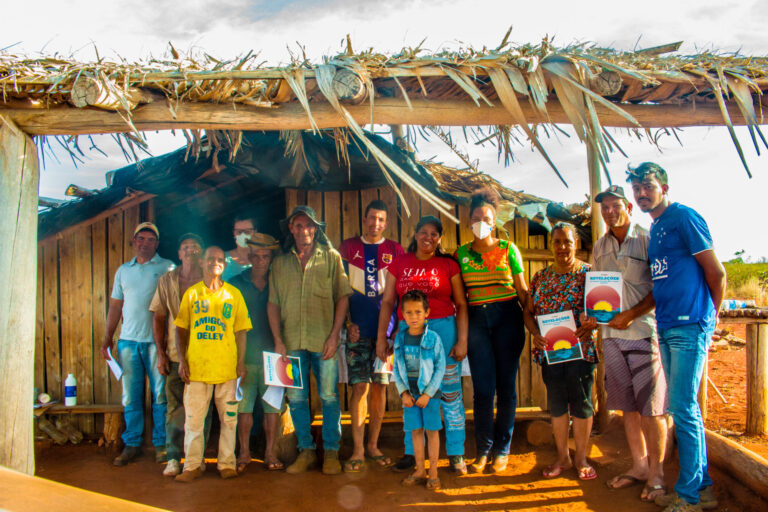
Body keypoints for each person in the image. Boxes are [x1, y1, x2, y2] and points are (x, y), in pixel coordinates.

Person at [628, 162, 725, 512]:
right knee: (681, 407)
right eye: (637, 188)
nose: (642, 193)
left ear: (664, 187)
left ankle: (689, 497)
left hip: (688, 325)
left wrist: (708, 323)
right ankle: (704, 489)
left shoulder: (684, 217)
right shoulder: (656, 229)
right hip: (667, 326)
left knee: (683, 409)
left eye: (648, 185)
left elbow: (716, 273)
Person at [586, 185, 669, 502]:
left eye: (614, 205)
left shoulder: (648, 239)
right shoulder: (600, 246)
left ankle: (657, 476)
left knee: (652, 409)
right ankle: (638, 466)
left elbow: (660, 287)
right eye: (604, 207)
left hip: (643, 333)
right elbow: (598, 292)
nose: (608, 211)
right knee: (628, 409)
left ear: (629, 207)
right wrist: (595, 317)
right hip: (611, 338)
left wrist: (631, 314)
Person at [377, 215, 469, 475]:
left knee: (449, 392)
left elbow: (461, 304)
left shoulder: (448, 265)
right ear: (415, 234)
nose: (428, 237)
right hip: (408, 335)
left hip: (443, 332)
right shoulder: (400, 263)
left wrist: (462, 340)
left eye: (434, 234)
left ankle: (455, 452)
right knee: (412, 390)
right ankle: (411, 451)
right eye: (423, 232)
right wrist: (382, 337)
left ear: (439, 238)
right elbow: (387, 303)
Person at [267, 205, 353, 475]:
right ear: (291, 229)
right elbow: (273, 304)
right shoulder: (280, 263)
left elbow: (342, 297)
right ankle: (306, 450)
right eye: (298, 225)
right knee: (296, 397)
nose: (304, 230)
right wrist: (278, 340)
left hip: (324, 341)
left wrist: (334, 336)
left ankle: (330, 452)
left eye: (309, 225)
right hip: (290, 342)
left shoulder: (331, 258)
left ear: (316, 229)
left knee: (328, 396)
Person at [455, 188, 528, 473]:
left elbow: (522, 291)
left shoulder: (509, 250)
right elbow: (459, 298)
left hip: (508, 317)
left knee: (506, 388)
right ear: (469, 221)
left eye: (486, 218)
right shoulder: (461, 254)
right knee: (483, 389)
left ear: (494, 221)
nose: (481, 222)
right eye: (476, 218)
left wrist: (536, 321)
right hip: (477, 321)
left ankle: (503, 448)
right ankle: (483, 449)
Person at [522, 222, 599, 481]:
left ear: (576, 243)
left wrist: (593, 323)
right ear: (551, 245)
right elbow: (528, 312)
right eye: (557, 241)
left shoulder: (590, 274)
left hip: (582, 350)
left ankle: (581, 458)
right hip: (551, 353)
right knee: (556, 405)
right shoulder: (540, 278)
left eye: (567, 241)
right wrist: (535, 334)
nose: (562, 247)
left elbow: (602, 313)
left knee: (582, 403)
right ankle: (563, 458)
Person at [173, 246, 251, 482]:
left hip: (227, 369)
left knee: (229, 420)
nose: (214, 263)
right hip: (197, 369)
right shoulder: (192, 294)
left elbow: (241, 332)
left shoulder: (234, 295)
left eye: (219, 260)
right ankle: (193, 465)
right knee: (194, 421)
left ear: (224, 265)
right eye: (210, 259)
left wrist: (240, 363)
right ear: (202, 263)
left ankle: (226, 463)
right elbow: (181, 329)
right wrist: (182, 360)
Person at [100, 222, 174, 466]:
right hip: (128, 342)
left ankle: (161, 444)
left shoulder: (167, 268)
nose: (145, 243)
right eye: (141, 238)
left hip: (156, 344)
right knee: (131, 397)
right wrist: (108, 337)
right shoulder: (123, 271)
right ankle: (132, 444)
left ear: (157, 243)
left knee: (160, 396)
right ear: (134, 242)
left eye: (150, 239)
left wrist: (166, 343)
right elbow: (115, 306)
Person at [339, 199, 404, 472]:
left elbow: (401, 293)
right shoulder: (348, 247)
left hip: (386, 337)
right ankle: (356, 450)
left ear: (385, 223)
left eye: (380, 219)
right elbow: (338, 290)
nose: (375, 223)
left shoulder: (395, 251)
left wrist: (396, 330)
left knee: (379, 389)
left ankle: (373, 445)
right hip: (357, 333)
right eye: (371, 218)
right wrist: (346, 324)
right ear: (363, 220)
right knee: (359, 388)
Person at [150, 232, 205, 477]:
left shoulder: (210, 279)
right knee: (174, 407)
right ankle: (173, 457)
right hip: (173, 354)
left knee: (203, 409)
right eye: (186, 247)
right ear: (179, 254)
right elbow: (159, 317)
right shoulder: (167, 281)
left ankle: (198, 458)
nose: (190, 251)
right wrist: (161, 354)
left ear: (201, 253)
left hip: (205, 354)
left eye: (195, 247)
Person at [229, 233, 283, 473]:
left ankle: (270, 452)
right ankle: (244, 452)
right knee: (245, 408)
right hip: (246, 357)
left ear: (271, 258)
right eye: (257, 256)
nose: (261, 260)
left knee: (273, 409)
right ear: (249, 257)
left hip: (275, 356)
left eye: (266, 256)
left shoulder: (278, 282)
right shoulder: (237, 283)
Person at [393, 290, 446, 491]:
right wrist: (403, 393)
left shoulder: (433, 339)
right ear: (403, 314)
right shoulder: (400, 339)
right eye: (408, 312)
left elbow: (440, 368)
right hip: (410, 397)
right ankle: (419, 469)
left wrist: (428, 393)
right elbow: (397, 370)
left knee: (432, 432)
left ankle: (433, 472)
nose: (413, 317)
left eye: (418, 312)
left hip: (429, 397)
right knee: (416, 431)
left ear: (427, 313)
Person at [221, 215, 258, 282]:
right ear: (234, 233)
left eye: (247, 232)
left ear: (255, 232)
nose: (243, 235)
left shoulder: (264, 258)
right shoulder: (222, 258)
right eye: (239, 232)